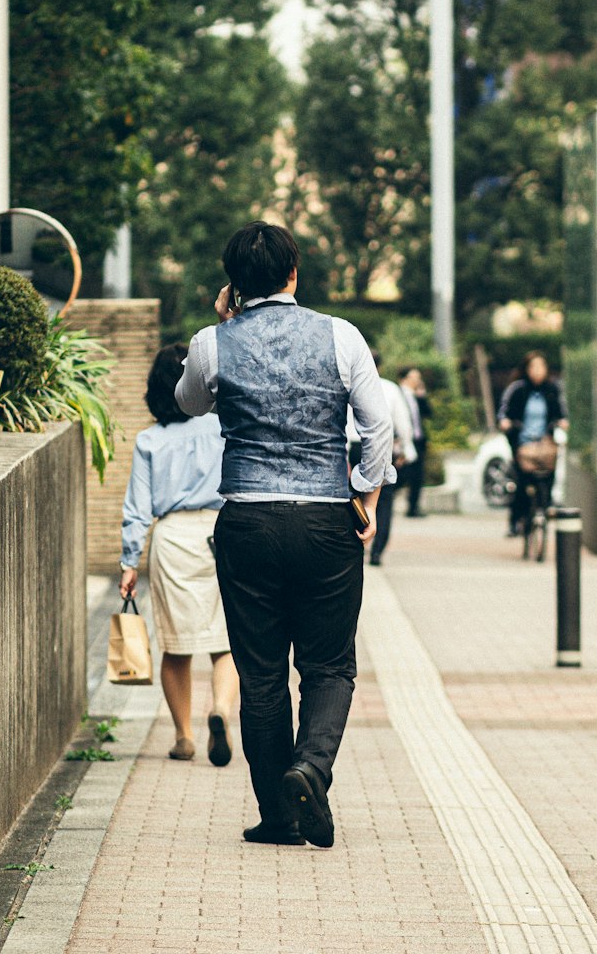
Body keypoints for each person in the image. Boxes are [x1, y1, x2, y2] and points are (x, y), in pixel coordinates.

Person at [176, 221, 393, 849]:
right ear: (294, 272)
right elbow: (377, 427)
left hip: (247, 520)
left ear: (232, 284)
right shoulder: (341, 336)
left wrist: (221, 321)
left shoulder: (212, 342)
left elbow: (188, 402)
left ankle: (279, 814)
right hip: (327, 517)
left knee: (261, 674)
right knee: (329, 665)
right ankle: (311, 769)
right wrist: (366, 493)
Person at [119, 345, 239, 765]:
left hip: (172, 538)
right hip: (224, 531)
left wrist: (128, 562)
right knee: (227, 638)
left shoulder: (150, 440)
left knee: (176, 643)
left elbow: (137, 508)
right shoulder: (224, 426)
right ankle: (220, 710)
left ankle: (184, 736)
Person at [497, 351, 568, 537]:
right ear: (526, 369)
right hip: (522, 443)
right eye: (533, 367)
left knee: (549, 472)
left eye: (541, 367)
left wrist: (561, 422)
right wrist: (506, 423)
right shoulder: (517, 389)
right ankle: (516, 520)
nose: (537, 371)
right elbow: (504, 413)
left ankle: (546, 505)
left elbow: (561, 412)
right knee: (521, 482)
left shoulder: (552, 389)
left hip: (545, 443)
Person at [368, 352, 416, 567]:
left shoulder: (346, 385)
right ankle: (377, 551)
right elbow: (403, 423)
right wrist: (406, 449)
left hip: (354, 448)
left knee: (351, 500)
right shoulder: (389, 388)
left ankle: (355, 546)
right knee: (384, 501)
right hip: (383, 449)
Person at [398, 367, 431, 517]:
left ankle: (413, 508)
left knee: (418, 476)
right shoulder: (397, 394)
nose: (418, 380)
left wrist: (422, 396)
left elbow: (428, 414)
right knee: (401, 474)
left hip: (418, 440)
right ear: (405, 378)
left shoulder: (416, 396)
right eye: (414, 377)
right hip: (404, 441)